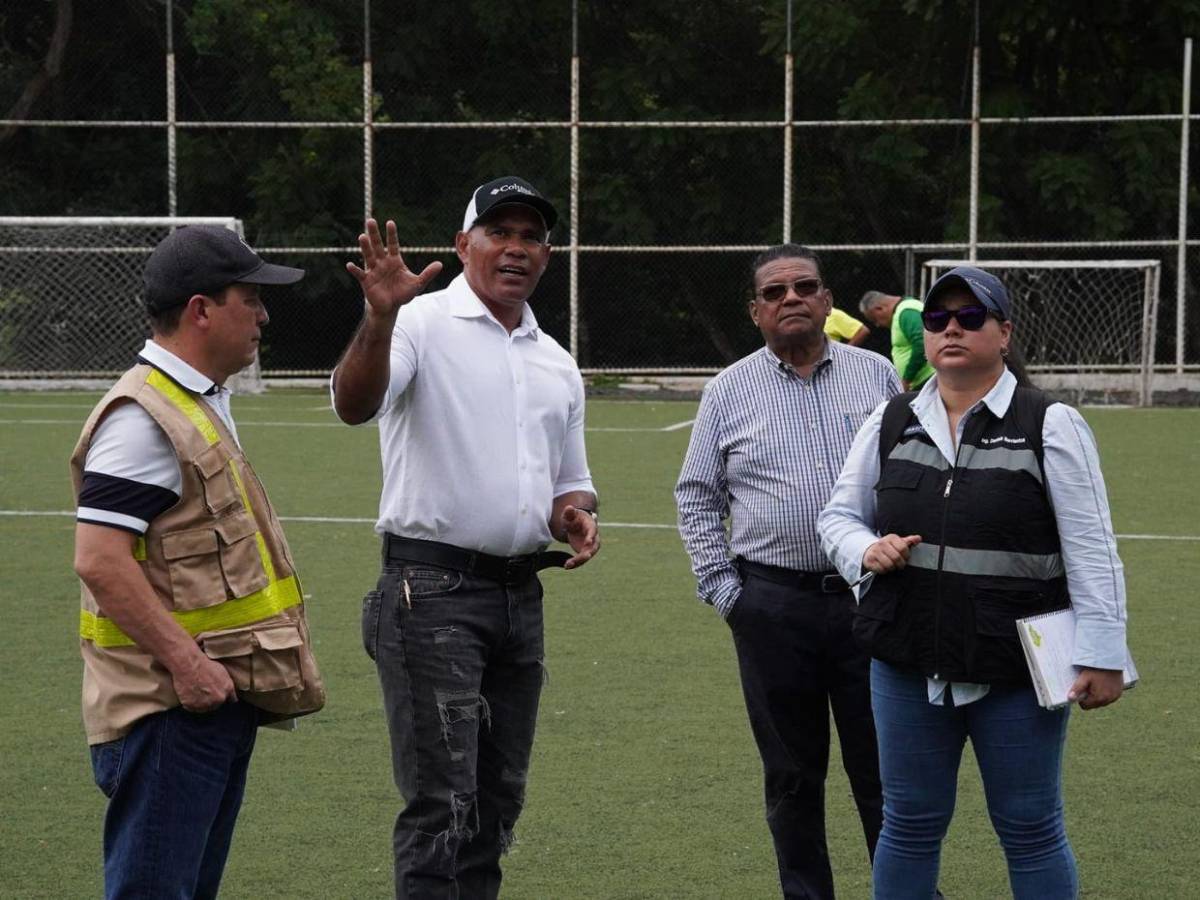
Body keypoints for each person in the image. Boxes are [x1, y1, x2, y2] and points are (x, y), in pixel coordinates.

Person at [819, 266, 1130, 900]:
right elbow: (838, 517)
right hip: (906, 662)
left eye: (969, 317)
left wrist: (1104, 654)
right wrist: (865, 549)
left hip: (1015, 668)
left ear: (1004, 333)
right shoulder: (891, 418)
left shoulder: (1051, 422)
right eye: (938, 319)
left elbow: (1092, 549)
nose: (951, 329)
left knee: (1031, 828)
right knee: (908, 824)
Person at [331, 176, 600, 899]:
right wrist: (379, 316)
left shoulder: (555, 360)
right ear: (462, 244)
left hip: (520, 598)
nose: (516, 248)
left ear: (547, 255)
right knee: (440, 807)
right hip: (429, 595)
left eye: (531, 236)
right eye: (499, 232)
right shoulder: (417, 323)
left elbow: (569, 483)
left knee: (495, 805)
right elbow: (354, 404)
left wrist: (573, 513)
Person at [71, 225, 325, 899]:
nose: (264, 315)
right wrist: (189, 665)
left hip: (206, 703)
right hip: (168, 708)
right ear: (200, 310)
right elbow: (99, 560)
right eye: (251, 298)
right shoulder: (142, 419)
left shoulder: (192, 401)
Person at [675, 244, 900, 899]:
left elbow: (912, 472)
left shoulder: (877, 375)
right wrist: (728, 594)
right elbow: (697, 495)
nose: (791, 298)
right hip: (773, 607)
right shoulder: (728, 390)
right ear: (756, 312)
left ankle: (907, 890)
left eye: (805, 286)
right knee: (793, 777)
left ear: (827, 300)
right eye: (774, 292)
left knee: (886, 772)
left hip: (871, 601)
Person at [860, 290, 934, 389]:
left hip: (927, 380)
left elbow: (922, 344)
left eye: (874, 319)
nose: (877, 325)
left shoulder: (906, 312)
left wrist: (906, 379)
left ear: (879, 308)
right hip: (922, 382)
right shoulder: (902, 311)